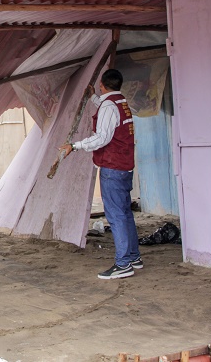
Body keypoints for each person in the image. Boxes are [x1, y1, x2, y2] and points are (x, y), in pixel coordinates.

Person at [59, 68, 141, 280]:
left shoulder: (108, 106)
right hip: (124, 166)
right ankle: (133, 257)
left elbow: (102, 137)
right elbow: (108, 112)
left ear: (103, 85)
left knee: (115, 216)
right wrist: (92, 97)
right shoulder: (121, 103)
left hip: (112, 167)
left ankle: (123, 264)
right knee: (124, 213)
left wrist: (74, 146)